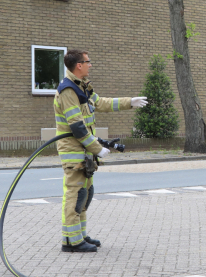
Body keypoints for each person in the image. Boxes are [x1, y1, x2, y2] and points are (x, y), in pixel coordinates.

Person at [54, 49, 147, 253]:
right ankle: (71, 241)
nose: (90, 65)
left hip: (84, 150)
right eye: (88, 62)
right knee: (75, 195)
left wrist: (129, 102)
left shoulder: (82, 86)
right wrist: (98, 149)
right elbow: (77, 127)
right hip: (74, 152)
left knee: (85, 194)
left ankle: (80, 235)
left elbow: (101, 103)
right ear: (79, 65)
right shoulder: (68, 90)